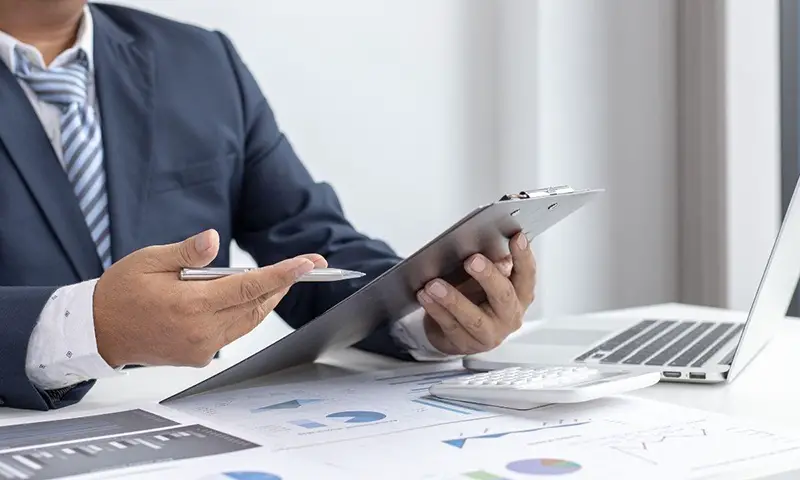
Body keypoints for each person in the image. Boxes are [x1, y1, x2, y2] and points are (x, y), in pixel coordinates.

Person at [0, 0, 537, 411]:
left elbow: (307, 236)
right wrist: (84, 328)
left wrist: (429, 310)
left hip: (188, 426)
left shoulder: (200, 60)